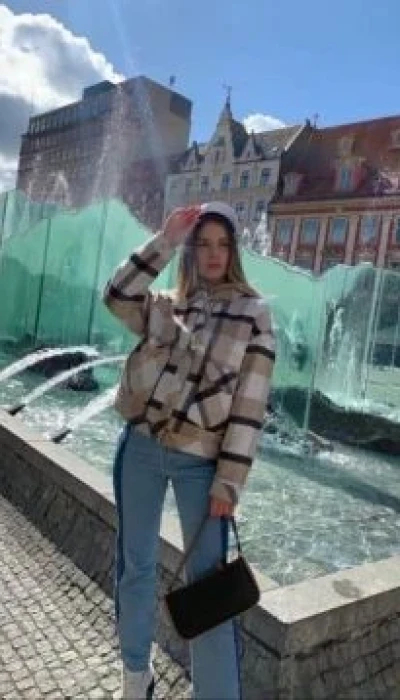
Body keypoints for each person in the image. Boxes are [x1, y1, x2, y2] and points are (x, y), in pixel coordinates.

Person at [103, 201, 276, 699]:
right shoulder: (167, 304)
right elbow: (116, 295)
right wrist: (165, 239)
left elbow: (249, 407)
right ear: (191, 251)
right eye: (203, 243)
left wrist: (229, 481)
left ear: (235, 251)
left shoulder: (255, 314)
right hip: (140, 447)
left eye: (223, 244)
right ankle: (136, 677)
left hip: (202, 465)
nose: (213, 253)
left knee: (210, 588)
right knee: (134, 567)